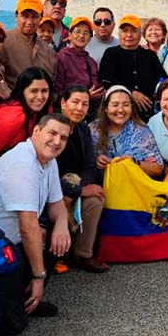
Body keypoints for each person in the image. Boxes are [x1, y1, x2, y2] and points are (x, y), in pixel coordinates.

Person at [0, 113, 73, 321]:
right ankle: (24, 294)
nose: (57, 141)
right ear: (36, 131)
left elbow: (56, 204)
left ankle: (26, 297)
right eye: (52, 133)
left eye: (63, 138)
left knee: (57, 235)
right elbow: (28, 227)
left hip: (14, 242)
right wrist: (39, 277)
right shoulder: (22, 162)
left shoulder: (48, 159)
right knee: (8, 325)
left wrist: (62, 224)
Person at [57, 85, 109, 272]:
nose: (79, 108)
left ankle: (83, 254)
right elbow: (46, 172)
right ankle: (56, 254)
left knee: (96, 199)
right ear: (63, 103)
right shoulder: (53, 127)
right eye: (75, 102)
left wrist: (79, 187)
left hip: (75, 183)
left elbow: (90, 166)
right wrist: (76, 190)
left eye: (85, 104)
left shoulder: (82, 129)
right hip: (54, 186)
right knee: (61, 200)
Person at [0, 67, 53, 178]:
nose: (40, 97)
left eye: (44, 91)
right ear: (22, 91)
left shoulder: (45, 111)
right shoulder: (14, 118)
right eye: (33, 91)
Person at [97, 14, 165, 119]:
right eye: (125, 31)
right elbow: (105, 81)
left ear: (140, 34)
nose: (129, 35)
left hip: (147, 114)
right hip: (119, 114)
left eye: (134, 31)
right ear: (119, 34)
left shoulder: (149, 55)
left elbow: (162, 80)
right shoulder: (111, 54)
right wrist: (130, 92)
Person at [90, 85, 164, 179]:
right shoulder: (93, 130)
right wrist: (96, 162)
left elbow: (158, 169)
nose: (121, 110)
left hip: (133, 185)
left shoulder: (141, 132)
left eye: (126, 105)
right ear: (106, 108)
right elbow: (81, 163)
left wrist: (135, 162)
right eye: (115, 105)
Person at [2, 0, 57, 88]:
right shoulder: (2, 42)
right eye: (25, 16)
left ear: (41, 17)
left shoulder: (49, 52)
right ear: (16, 16)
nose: (29, 22)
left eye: (34, 17)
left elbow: (52, 82)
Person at [54, 16, 102, 103]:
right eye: (78, 31)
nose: (81, 36)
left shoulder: (92, 62)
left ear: (90, 38)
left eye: (86, 33)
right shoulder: (61, 58)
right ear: (69, 35)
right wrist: (86, 95)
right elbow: (58, 92)